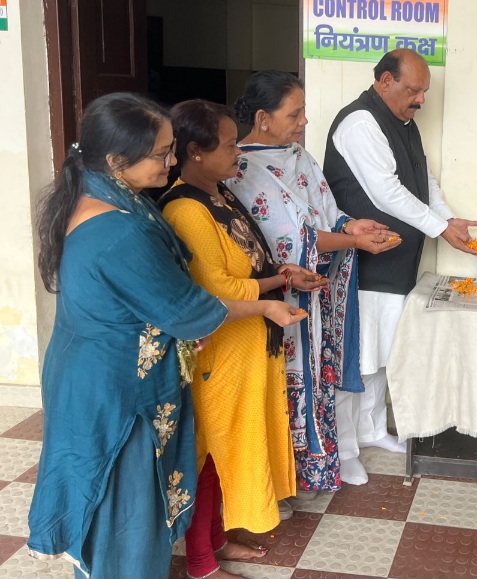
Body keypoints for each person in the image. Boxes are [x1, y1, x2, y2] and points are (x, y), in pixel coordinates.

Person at [28, 93, 305, 579]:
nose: (172, 161)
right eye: (161, 153)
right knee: (126, 510)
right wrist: (264, 305)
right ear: (117, 160)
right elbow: (189, 308)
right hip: (117, 390)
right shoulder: (119, 230)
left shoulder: (103, 196)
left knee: (112, 500)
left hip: (91, 371)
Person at [160, 100, 328, 579]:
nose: (238, 153)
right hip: (220, 350)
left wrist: (285, 275)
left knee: (228, 451)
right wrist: (276, 286)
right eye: (230, 145)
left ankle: (217, 539)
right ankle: (200, 563)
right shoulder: (185, 209)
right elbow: (215, 288)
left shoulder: (219, 194)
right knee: (208, 454)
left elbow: (249, 262)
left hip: (248, 344)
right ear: (196, 151)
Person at [226, 71, 400, 491]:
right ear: (263, 118)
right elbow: (289, 239)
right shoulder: (241, 168)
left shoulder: (299, 156)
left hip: (319, 290)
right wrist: (354, 242)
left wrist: (351, 226)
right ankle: (284, 479)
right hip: (281, 296)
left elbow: (325, 210)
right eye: (295, 113)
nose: (304, 121)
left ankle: (335, 454)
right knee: (289, 380)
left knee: (326, 373)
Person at [323, 49, 477, 485]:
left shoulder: (404, 122)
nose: (421, 100)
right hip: (361, 262)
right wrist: (440, 228)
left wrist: (447, 219)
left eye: (424, 91)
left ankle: (372, 430)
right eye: (414, 90)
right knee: (357, 358)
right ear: (385, 81)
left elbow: (423, 180)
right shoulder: (360, 122)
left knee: (381, 354)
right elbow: (385, 192)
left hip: (395, 261)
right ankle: (345, 448)